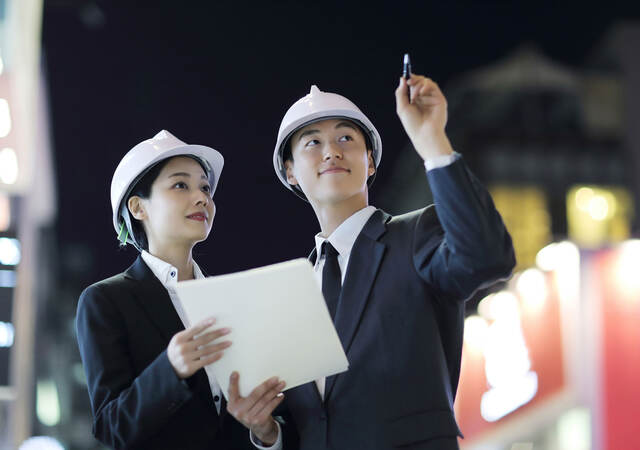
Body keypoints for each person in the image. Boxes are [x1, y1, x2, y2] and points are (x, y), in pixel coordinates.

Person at [270, 76, 516, 449]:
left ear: (370, 161)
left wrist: (432, 141)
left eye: (345, 139)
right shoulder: (292, 293)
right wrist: (266, 433)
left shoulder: (415, 236)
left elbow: (486, 259)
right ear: (290, 172)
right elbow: (309, 420)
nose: (331, 152)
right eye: (313, 143)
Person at [76, 130, 287, 449]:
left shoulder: (233, 298)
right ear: (137, 207)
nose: (202, 197)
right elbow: (111, 428)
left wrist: (267, 433)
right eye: (180, 185)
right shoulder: (105, 301)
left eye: (204, 187)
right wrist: (170, 368)